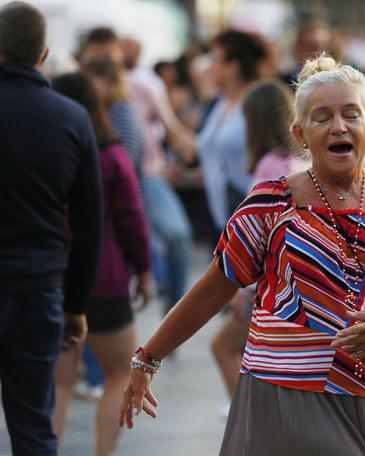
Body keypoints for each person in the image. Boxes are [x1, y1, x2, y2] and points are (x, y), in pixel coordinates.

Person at [119, 55, 365, 456]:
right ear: (301, 133)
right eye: (322, 117)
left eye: (351, 114)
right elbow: (214, 287)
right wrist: (146, 358)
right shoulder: (271, 203)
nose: (338, 126)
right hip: (283, 395)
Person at [0, 2, 102, 454]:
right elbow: (88, 221)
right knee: (33, 427)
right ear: (43, 54)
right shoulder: (72, 119)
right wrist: (76, 304)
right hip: (38, 291)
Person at [50, 73, 153, 456]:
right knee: (118, 375)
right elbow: (132, 219)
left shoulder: (49, 158)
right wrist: (143, 271)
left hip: (57, 281)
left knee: (58, 384)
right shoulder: (111, 157)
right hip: (106, 282)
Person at [79, 27, 194, 315]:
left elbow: (172, 128)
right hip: (99, 180)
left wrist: (185, 155)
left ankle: (175, 308)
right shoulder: (79, 86)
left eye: (109, 51)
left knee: (178, 235)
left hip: (146, 175)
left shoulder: (143, 86)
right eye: (98, 53)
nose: (104, 59)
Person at [210, 79, 300, 420]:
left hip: (262, 285)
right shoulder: (295, 160)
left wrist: (241, 287)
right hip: (283, 283)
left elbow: (259, 235)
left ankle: (250, 420)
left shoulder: (269, 166)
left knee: (223, 347)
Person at [197, 29, 269, 232]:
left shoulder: (257, 102)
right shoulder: (220, 103)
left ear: (233, 67)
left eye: (215, 60)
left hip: (250, 219)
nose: (209, 67)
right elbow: (218, 157)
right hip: (219, 218)